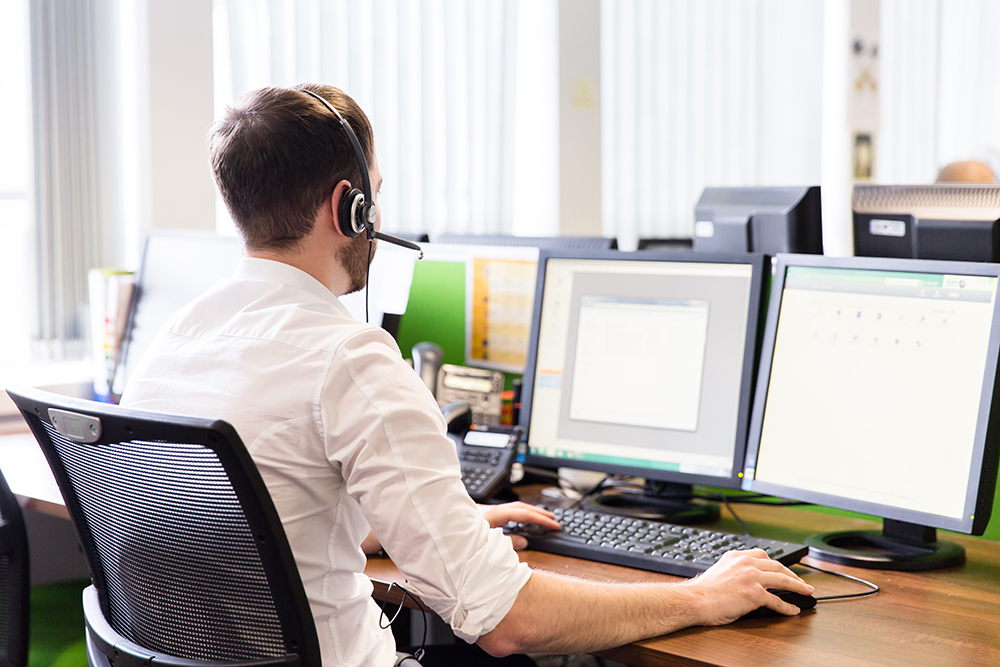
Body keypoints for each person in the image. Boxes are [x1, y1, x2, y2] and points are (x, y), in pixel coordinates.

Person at [120, 84, 813, 667]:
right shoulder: (350, 359)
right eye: (376, 195)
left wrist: (437, 522)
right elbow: (508, 620)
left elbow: (249, 516)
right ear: (348, 208)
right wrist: (699, 594)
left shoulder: (175, 340)